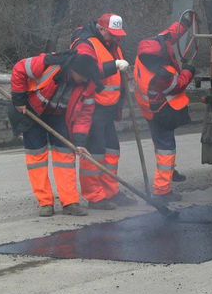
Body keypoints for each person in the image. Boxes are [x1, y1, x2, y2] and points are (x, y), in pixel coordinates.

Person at [10, 51, 102, 217]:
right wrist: (18, 100)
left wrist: (80, 142)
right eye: (82, 77)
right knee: (36, 157)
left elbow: (84, 116)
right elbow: (19, 68)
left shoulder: (88, 83)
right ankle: (45, 202)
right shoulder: (49, 64)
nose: (85, 81)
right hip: (32, 111)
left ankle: (70, 202)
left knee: (66, 156)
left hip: (60, 116)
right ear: (73, 71)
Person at [71, 13, 133, 209]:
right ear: (102, 28)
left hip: (109, 107)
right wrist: (113, 66)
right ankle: (95, 197)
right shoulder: (85, 44)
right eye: (112, 34)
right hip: (93, 106)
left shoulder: (113, 44)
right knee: (95, 152)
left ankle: (110, 192)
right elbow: (85, 70)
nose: (115, 38)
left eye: (118, 34)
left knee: (112, 151)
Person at [133, 19, 195, 202]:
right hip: (160, 111)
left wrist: (184, 23)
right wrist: (189, 72)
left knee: (162, 146)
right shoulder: (159, 76)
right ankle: (162, 191)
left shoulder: (147, 51)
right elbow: (177, 85)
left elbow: (168, 34)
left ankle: (169, 173)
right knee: (166, 148)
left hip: (149, 109)